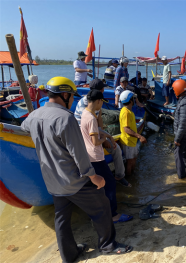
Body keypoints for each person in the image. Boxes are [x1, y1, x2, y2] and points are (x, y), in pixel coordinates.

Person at [21, 77, 133, 263]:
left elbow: (23, 131)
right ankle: (108, 245)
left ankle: (69, 254)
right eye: (72, 96)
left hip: (52, 180)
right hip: (73, 181)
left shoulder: (33, 115)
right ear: (65, 95)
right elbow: (78, 153)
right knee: (102, 206)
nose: (73, 100)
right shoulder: (65, 118)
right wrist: (93, 176)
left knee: (62, 219)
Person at [80, 89, 133, 223]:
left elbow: (96, 130)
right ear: (98, 101)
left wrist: (108, 135)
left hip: (87, 155)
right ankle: (112, 214)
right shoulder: (92, 118)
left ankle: (96, 214)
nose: (101, 106)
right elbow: (95, 141)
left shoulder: (85, 113)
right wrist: (105, 140)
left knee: (96, 186)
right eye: (101, 103)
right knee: (109, 184)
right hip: (96, 157)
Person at [74, 79, 130, 187]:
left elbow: (99, 121)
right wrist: (103, 140)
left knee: (116, 148)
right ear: (100, 90)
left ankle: (119, 175)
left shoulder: (97, 102)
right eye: (103, 89)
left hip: (95, 133)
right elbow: (86, 127)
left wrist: (105, 135)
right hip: (84, 135)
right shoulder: (84, 104)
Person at [119, 90, 147, 176]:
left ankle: (134, 177)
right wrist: (139, 136)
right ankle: (129, 179)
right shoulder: (126, 112)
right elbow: (126, 129)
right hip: (128, 141)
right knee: (130, 162)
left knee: (134, 159)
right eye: (134, 99)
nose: (135, 100)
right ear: (131, 100)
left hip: (132, 141)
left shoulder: (129, 111)